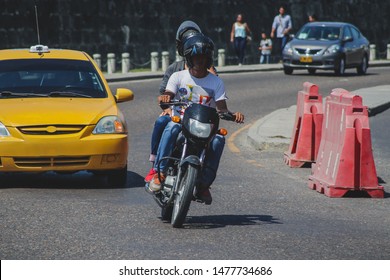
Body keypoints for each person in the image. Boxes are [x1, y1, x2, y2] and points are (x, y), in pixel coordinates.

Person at [148, 33, 244, 204]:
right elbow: (168, 94)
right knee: (172, 127)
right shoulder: (178, 77)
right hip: (182, 124)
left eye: (203, 58)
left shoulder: (216, 82)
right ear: (189, 58)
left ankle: (204, 184)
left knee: (219, 140)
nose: (200, 61)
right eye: (196, 57)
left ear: (209, 59)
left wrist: (233, 115)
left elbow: (222, 109)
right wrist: (164, 98)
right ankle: (160, 173)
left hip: (204, 128)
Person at [144, 21, 217, 183]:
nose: (198, 60)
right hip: (177, 113)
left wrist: (209, 66)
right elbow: (164, 93)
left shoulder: (208, 69)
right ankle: (156, 165)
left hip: (199, 117)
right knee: (162, 121)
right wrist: (167, 107)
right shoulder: (174, 69)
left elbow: (215, 90)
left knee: (216, 139)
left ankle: (205, 179)